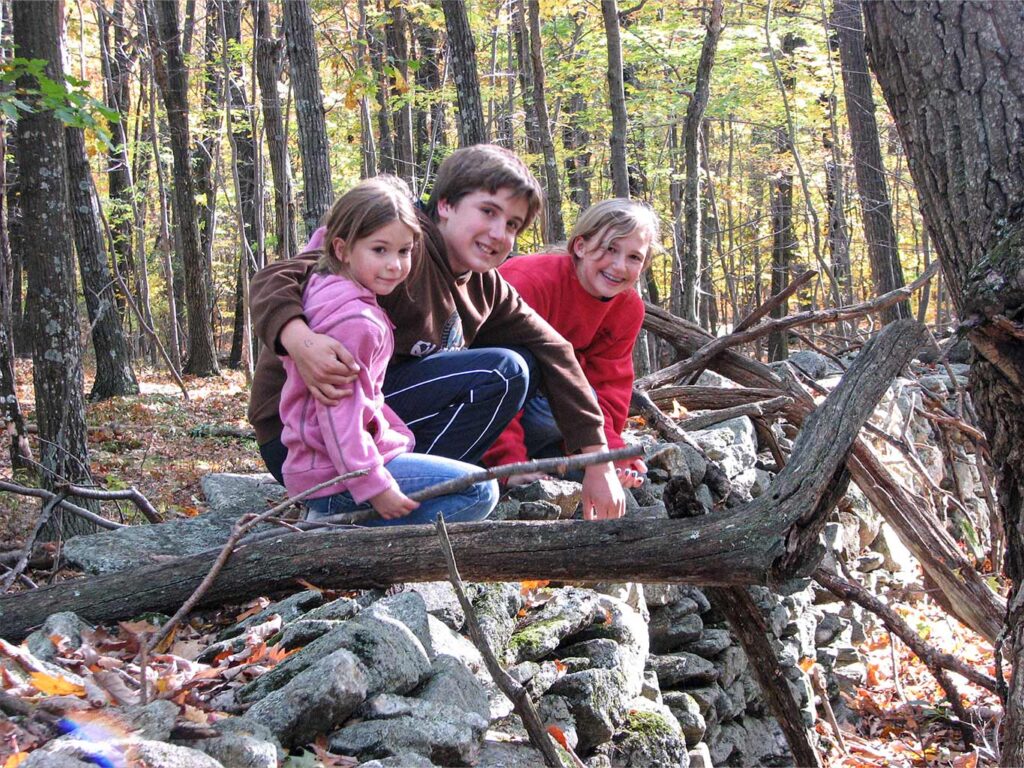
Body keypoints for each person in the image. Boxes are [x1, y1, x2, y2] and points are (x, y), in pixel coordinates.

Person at [248, 144, 625, 520]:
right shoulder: (398, 244)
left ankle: (409, 500)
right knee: (502, 372)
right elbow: (279, 275)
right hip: (298, 435)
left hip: (367, 426)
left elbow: (554, 348)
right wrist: (299, 340)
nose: (498, 233)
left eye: (512, 224)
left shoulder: (486, 287)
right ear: (445, 204)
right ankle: (356, 507)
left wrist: (599, 460)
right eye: (488, 211)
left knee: (523, 364)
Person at [279, 176, 498, 525]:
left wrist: (397, 438)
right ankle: (342, 535)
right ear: (342, 249)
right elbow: (339, 417)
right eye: (379, 250)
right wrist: (374, 485)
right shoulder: (356, 321)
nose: (394, 264)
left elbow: (366, 400)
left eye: (404, 251)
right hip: (332, 479)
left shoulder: (325, 284)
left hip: (324, 466)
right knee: (480, 491)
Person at [483, 199, 660, 489]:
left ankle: (564, 461)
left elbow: (610, 385)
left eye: (634, 257)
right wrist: (506, 463)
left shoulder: (627, 307)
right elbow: (496, 377)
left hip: (551, 418)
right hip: (485, 409)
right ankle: (498, 461)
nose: (619, 266)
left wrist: (613, 453)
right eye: (610, 249)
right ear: (580, 246)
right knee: (549, 377)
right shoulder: (530, 282)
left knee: (590, 473)